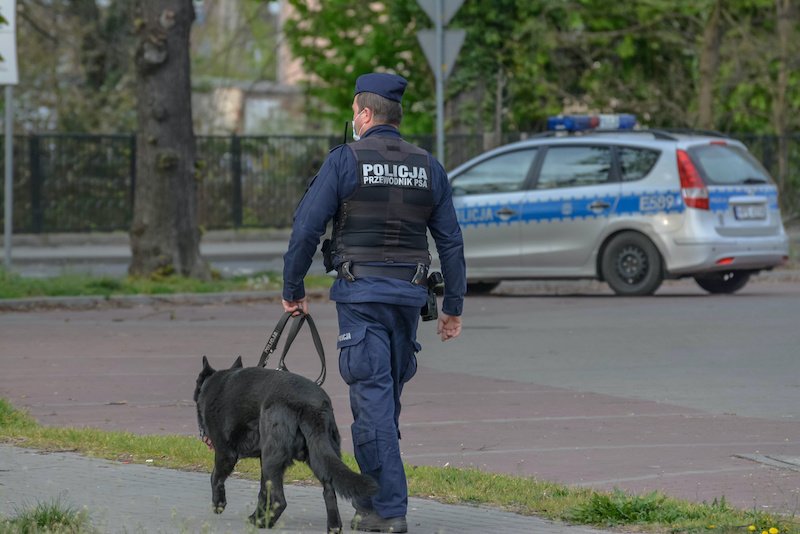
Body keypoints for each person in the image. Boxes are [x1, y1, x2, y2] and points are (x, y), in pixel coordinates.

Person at [281, 72, 466, 533]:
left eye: (354, 111)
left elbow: (307, 228)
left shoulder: (345, 160)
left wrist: (293, 289)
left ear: (364, 114)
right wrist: (453, 306)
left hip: (361, 299)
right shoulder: (428, 165)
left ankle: (386, 510)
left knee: (373, 404)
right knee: (386, 402)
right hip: (408, 298)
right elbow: (451, 242)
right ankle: (382, 502)